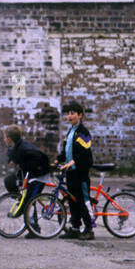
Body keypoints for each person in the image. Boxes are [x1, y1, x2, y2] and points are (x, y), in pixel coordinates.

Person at [56, 100, 96, 239]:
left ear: (80, 115)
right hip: (71, 172)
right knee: (72, 201)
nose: (69, 116)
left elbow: (84, 153)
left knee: (83, 200)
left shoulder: (83, 132)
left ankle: (89, 229)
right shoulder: (71, 132)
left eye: (72, 113)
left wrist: (73, 162)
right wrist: (58, 159)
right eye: (68, 114)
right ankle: (75, 227)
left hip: (81, 172)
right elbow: (66, 150)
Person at [3, 125, 50, 224]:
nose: (4, 140)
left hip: (38, 174)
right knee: (9, 180)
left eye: (4, 137)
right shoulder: (14, 147)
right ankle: (20, 201)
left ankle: (34, 227)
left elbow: (42, 159)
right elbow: (10, 160)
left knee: (30, 200)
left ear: (8, 138)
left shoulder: (24, 148)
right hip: (28, 172)